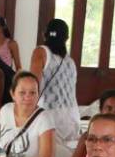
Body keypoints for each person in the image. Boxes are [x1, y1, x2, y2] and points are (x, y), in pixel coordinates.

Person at [30, 19, 80, 149]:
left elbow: (32, 86)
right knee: (64, 156)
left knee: (46, 155)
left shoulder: (40, 52)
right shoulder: (70, 62)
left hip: (49, 117)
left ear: (44, 34)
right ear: (66, 38)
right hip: (72, 118)